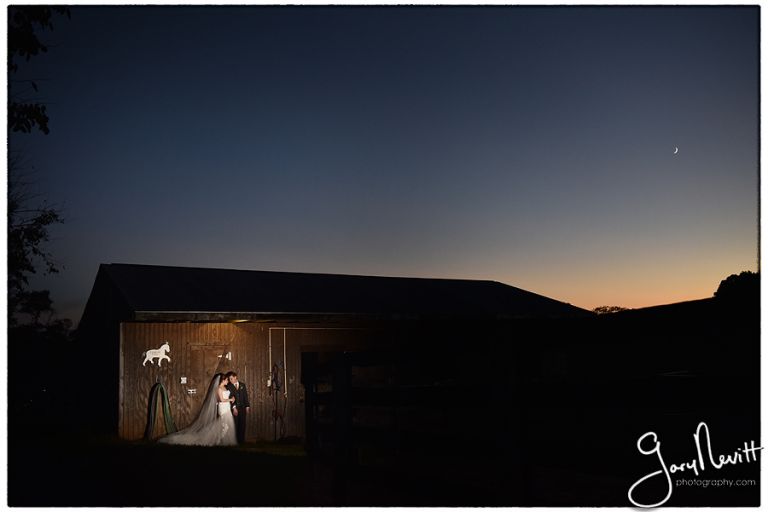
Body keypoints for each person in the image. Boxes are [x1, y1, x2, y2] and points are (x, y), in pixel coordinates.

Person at [157, 373, 237, 446]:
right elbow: (221, 399)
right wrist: (230, 400)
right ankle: (217, 440)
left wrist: (231, 399)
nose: (227, 381)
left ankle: (220, 440)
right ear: (222, 380)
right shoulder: (218, 388)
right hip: (223, 407)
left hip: (227, 407)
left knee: (226, 424)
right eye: (226, 379)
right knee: (224, 425)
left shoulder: (225, 387)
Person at [226, 371, 250, 444]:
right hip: (235, 408)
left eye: (231, 378)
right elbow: (230, 397)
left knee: (242, 424)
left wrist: (247, 406)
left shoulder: (242, 385)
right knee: (235, 424)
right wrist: (234, 408)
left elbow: (245, 396)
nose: (230, 380)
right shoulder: (229, 386)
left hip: (242, 407)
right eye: (229, 379)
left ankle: (241, 441)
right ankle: (235, 440)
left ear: (235, 377)